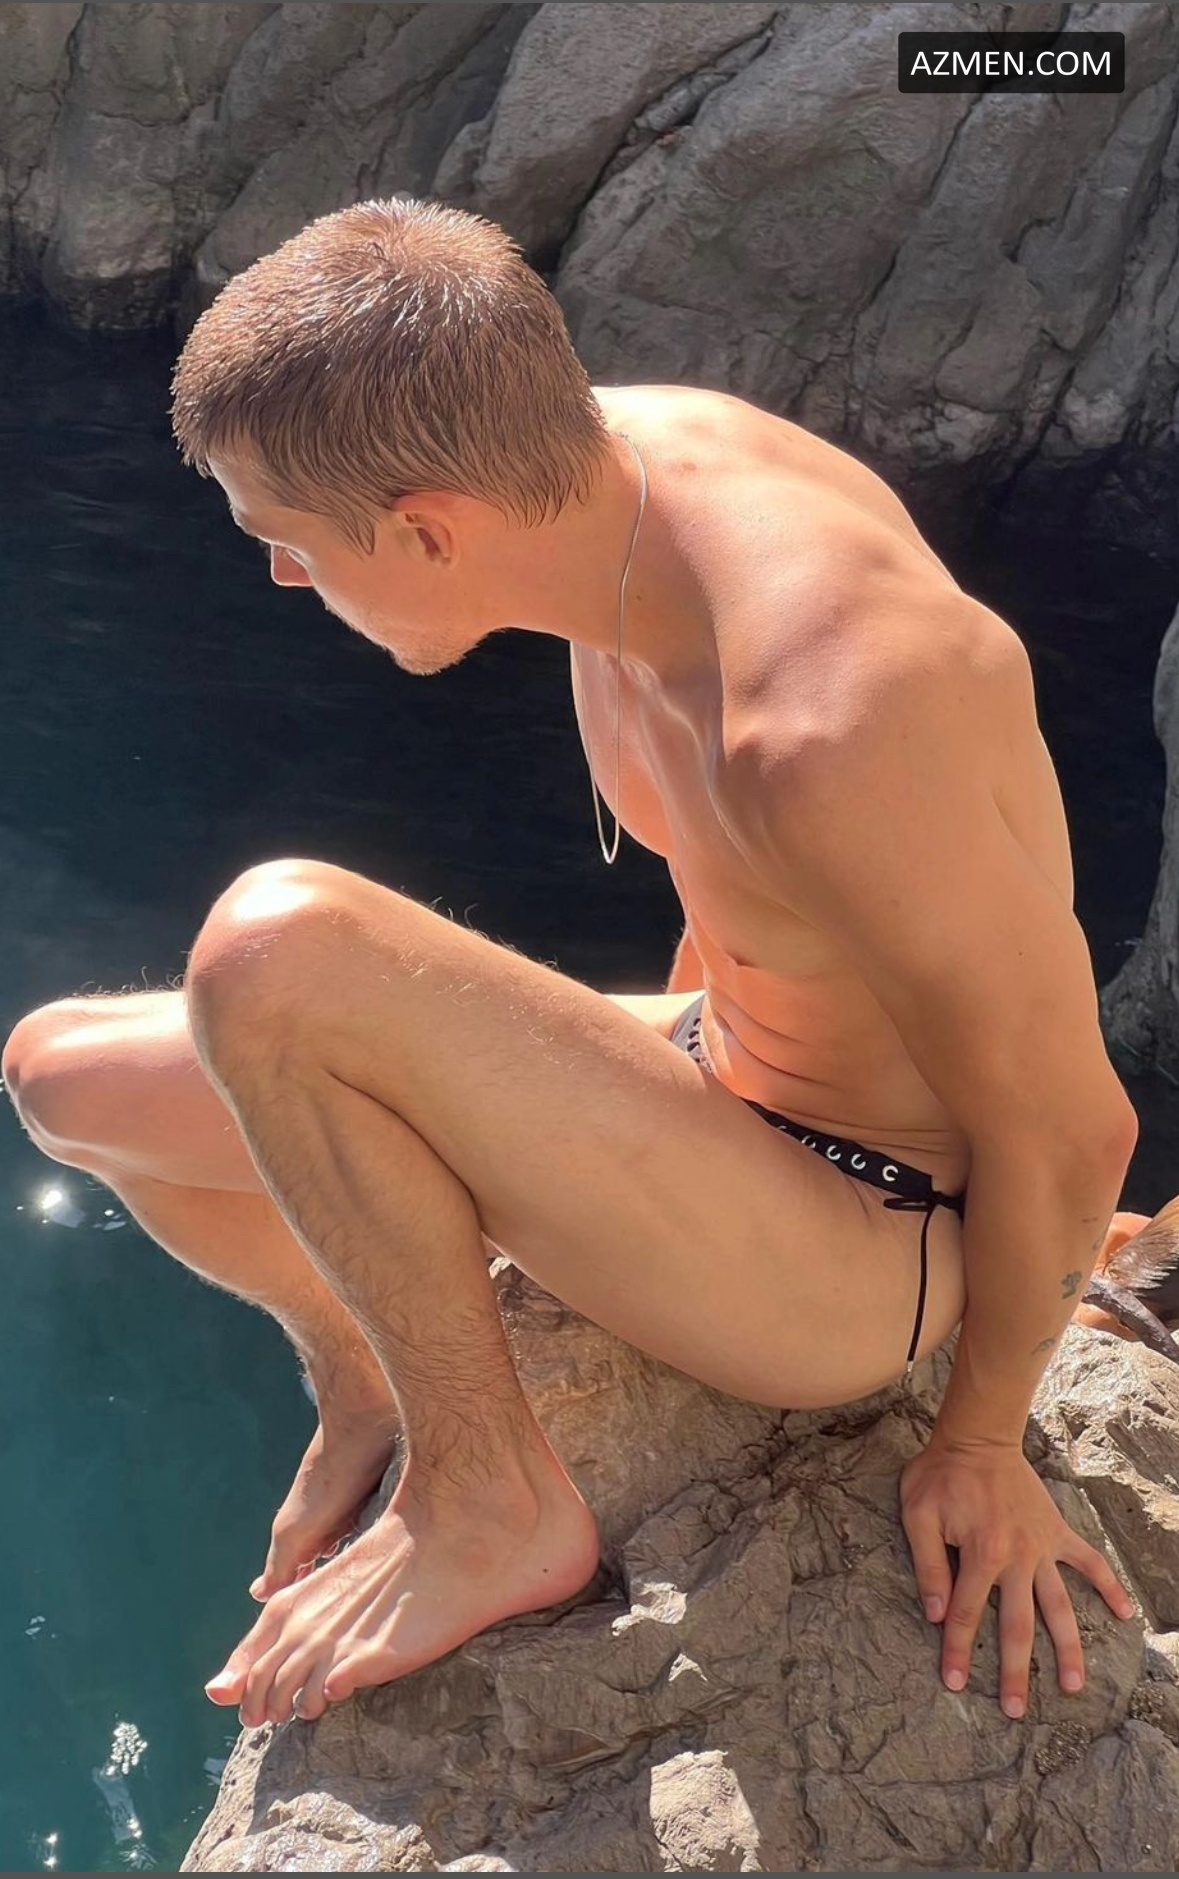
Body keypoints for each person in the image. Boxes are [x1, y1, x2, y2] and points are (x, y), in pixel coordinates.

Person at [1, 197, 1146, 1736]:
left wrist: (985, 1447)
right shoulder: (596, 477)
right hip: (720, 1072)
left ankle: (490, 1501)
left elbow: (1073, 1127)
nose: (280, 580)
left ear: (428, 530)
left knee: (275, 951)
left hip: (865, 1231)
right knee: (63, 1078)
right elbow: (759, 911)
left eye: (288, 543)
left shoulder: (831, 717)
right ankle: (365, 1364)